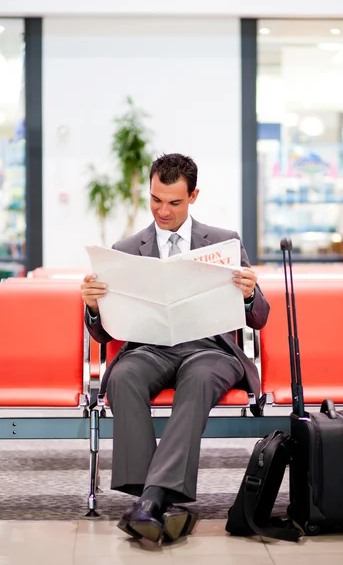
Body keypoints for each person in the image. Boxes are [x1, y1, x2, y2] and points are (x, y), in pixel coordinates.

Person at [81, 153, 270, 543]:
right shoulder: (127, 248)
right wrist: (94, 306)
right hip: (150, 349)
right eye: (155, 200)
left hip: (209, 351)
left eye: (174, 202)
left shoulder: (223, 242)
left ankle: (149, 500)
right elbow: (102, 337)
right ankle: (156, 502)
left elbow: (260, 317)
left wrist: (250, 295)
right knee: (124, 375)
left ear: (193, 196)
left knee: (198, 380)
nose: (162, 211)